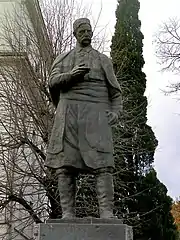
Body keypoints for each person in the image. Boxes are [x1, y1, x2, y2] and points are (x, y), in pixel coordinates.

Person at [45, 18, 123, 219]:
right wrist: (72, 75)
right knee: (65, 167)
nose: (86, 34)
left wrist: (115, 112)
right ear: (75, 34)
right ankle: (68, 213)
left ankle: (106, 212)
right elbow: (52, 83)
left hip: (96, 117)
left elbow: (116, 93)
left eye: (89, 31)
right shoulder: (63, 59)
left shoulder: (103, 60)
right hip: (68, 115)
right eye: (82, 31)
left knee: (103, 165)